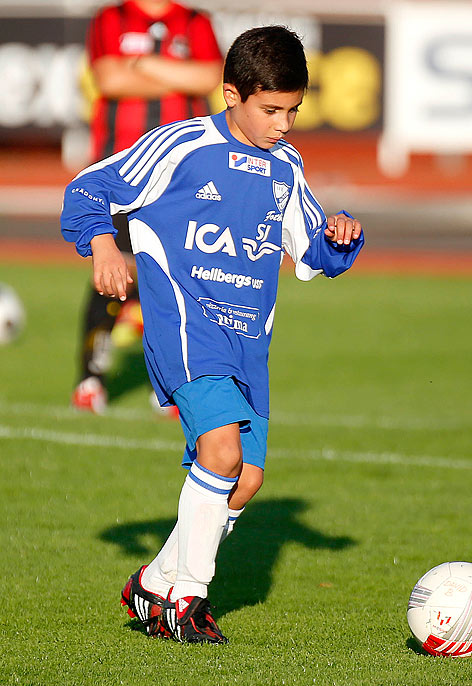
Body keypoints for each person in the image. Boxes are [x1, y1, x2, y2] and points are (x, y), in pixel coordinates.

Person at [61, 26, 365, 643]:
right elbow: (88, 188)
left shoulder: (286, 165)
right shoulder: (182, 145)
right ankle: (189, 601)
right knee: (221, 454)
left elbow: (309, 252)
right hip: (186, 326)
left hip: (248, 342)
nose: (283, 124)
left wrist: (340, 238)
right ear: (231, 94)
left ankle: (155, 582)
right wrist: (101, 246)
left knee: (245, 479)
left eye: (294, 111)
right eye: (271, 109)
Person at [71, 0, 222, 414]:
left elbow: (209, 76)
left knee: (182, 275)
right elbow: (109, 80)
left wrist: (138, 64)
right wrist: (176, 75)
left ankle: (174, 384)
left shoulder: (196, 21)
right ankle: (90, 380)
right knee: (114, 270)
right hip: (120, 170)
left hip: (183, 173)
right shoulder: (109, 18)